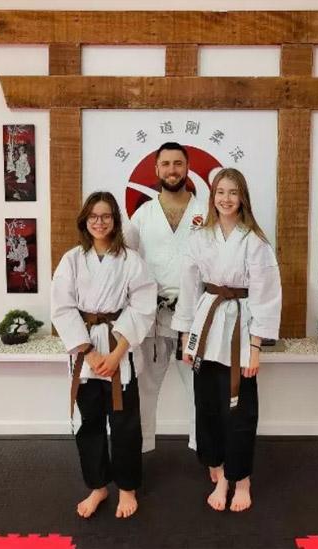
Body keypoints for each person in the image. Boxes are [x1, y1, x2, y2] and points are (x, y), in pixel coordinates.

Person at [172, 168, 282, 513]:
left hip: (239, 327)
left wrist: (255, 348)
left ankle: (242, 479)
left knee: (240, 411)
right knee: (207, 407)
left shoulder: (255, 241)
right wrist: (188, 341)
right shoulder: (200, 238)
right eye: (221, 191)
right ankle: (219, 473)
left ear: (243, 197)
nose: (226, 198)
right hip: (207, 326)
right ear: (213, 196)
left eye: (233, 192)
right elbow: (189, 289)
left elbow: (266, 295)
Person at [51, 191, 158, 519]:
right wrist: (91, 354)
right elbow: (62, 307)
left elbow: (142, 306)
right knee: (88, 423)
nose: (100, 222)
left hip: (120, 352)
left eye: (106, 216)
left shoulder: (131, 261)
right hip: (86, 355)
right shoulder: (71, 259)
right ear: (85, 220)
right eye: (93, 216)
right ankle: (97, 486)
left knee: (125, 425)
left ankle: (127, 487)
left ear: (115, 221)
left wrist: (115, 354)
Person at [125, 142, 208, 458]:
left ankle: (205, 450)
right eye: (166, 164)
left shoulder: (206, 212)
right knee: (145, 386)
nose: (172, 170)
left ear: (187, 168)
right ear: (156, 169)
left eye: (178, 163)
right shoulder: (142, 215)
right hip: (154, 314)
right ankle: (141, 450)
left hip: (196, 313)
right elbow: (128, 263)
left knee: (198, 388)